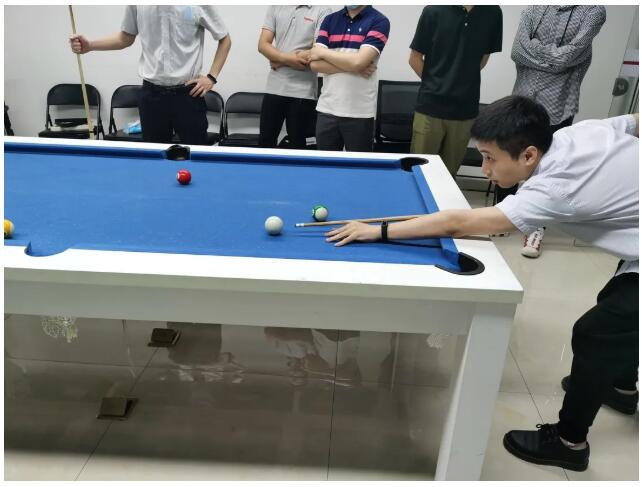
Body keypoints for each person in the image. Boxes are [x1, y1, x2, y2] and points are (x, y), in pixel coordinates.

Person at [324, 96, 638, 472]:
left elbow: (461, 223)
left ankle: (570, 443)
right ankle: (619, 386)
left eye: (490, 158)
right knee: (619, 309)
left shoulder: (553, 190)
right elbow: (635, 121)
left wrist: (377, 230)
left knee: (597, 333)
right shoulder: (577, 134)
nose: (485, 168)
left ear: (529, 155)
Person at [499, 5, 606, 258]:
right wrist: (553, 54)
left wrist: (535, 48)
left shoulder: (592, 11)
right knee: (509, 155)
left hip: (558, 104)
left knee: (548, 167)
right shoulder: (534, 8)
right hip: (522, 98)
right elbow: (517, 52)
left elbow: (566, 59)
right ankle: (501, 216)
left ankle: (535, 228)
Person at [70, 6, 231, 145]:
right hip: (152, 97)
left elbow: (225, 39)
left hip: (188, 95)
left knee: (195, 155)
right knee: (154, 157)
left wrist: (211, 77)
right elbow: (125, 38)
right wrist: (90, 45)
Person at [409, 6, 502, 177]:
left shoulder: (493, 12)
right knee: (420, 172)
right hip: (430, 108)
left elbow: (482, 59)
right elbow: (414, 58)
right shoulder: (433, 10)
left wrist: (459, 83)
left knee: (449, 176)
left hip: (465, 110)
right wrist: (436, 85)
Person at [309, 5, 390, 152]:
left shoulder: (379, 21)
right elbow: (315, 65)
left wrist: (323, 53)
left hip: (360, 113)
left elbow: (358, 62)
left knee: (359, 165)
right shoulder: (329, 20)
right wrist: (355, 65)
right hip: (327, 109)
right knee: (326, 164)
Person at [257, 5, 331, 149]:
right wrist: (285, 58)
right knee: (265, 143)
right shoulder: (276, 7)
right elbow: (262, 45)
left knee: (299, 147)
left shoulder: (322, 10)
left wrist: (279, 60)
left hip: (303, 93)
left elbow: (318, 51)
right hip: (274, 88)